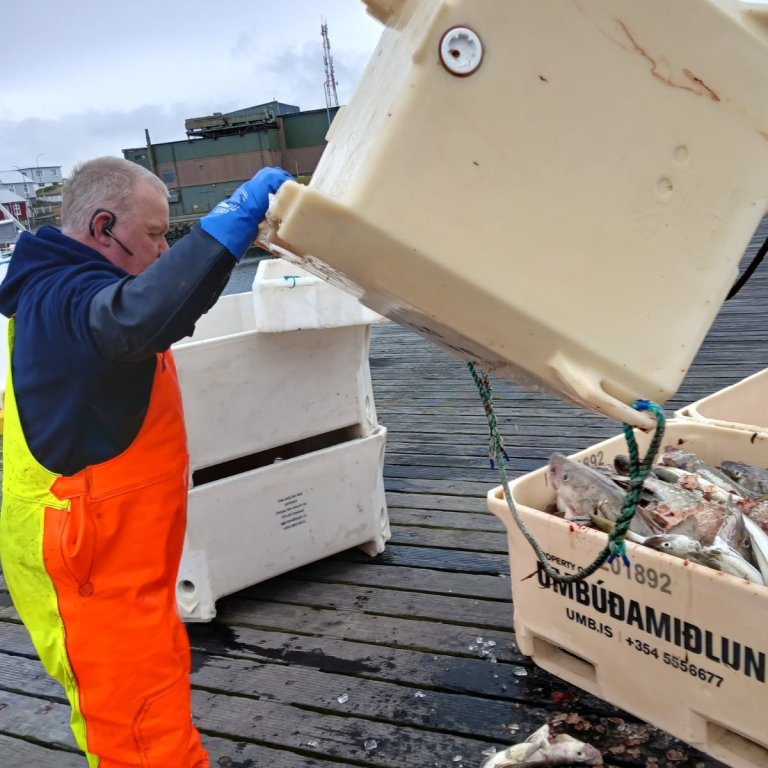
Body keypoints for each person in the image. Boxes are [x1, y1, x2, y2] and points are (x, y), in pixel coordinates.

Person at [0, 156, 292, 767]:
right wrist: (228, 225)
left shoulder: (62, 284)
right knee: (139, 736)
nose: (164, 250)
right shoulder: (63, 299)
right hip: (88, 571)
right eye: (157, 235)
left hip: (118, 561)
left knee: (135, 715)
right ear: (103, 227)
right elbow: (133, 321)